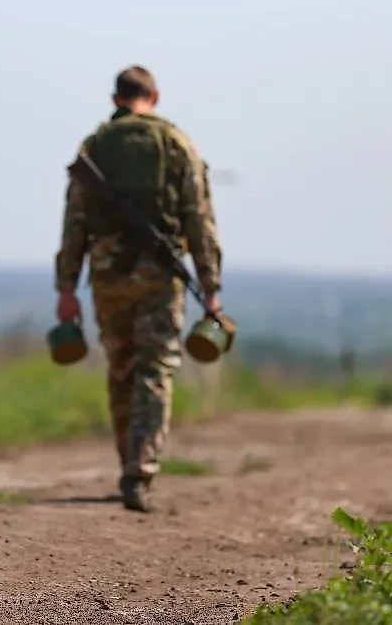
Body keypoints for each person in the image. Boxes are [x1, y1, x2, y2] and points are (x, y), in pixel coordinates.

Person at [54, 65, 227, 513]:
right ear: (155, 95)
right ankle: (139, 471)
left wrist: (66, 287)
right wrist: (210, 286)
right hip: (159, 276)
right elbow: (200, 221)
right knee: (155, 369)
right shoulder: (176, 144)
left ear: (116, 100)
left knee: (121, 367)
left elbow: (75, 223)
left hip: (108, 275)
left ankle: (128, 462)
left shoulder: (95, 147)